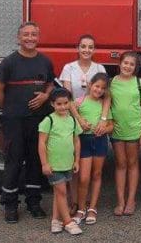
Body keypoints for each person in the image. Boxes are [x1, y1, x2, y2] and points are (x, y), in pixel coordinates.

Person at [0, 22, 55, 224]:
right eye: (26, 35)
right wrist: (11, 109)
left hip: (37, 120)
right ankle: (10, 204)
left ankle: (34, 202)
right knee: (14, 161)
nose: (30, 38)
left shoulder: (45, 61)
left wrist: (45, 96)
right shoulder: (9, 62)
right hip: (15, 121)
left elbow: (51, 84)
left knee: (36, 160)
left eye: (34, 34)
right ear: (18, 38)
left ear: (39, 37)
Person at [59, 34, 109, 215]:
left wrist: (103, 120)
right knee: (76, 167)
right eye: (83, 46)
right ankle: (75, 201)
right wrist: (79, 120)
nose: (86, 50)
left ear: (94, 50)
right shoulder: (68, 68)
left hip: (94, 123)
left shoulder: (99, 68)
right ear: (77, 48)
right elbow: (67, 97)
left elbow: (106, 96)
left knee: (91, 171)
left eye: (90, 47)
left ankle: (87, 203)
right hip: (74, 121)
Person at [109, 51, 141, 216]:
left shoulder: (140, 83)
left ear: (135, 68)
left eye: (131, 64)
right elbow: (107, 104)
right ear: (119, 64)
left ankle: (131, 199)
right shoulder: (111, 83)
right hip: (117, 130)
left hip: (134, 129)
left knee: (133, 163)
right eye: (125, 63)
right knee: (120, 164)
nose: (127, 66)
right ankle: (120, 200)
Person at [37, 88, 83, 235]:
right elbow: (42, 143)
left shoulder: (72, 120)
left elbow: (76, 141)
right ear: (52, 104)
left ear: (70, 103)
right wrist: (45, 163)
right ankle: (68, 222)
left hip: (67, 163)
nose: (63, 107)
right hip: (54, 165)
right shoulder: (48, 121)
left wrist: (76, 161)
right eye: (59, 104)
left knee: (59, 193)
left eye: (66, 103)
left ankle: (55, 220)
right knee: (62, 192)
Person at [73, 73, 113, 225]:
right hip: (84, 141)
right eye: (96, 86)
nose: (99, 90)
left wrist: (105, 129)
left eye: (102, 88)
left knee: (96, 174)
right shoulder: (80, 101)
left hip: (100, 141)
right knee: (84, 177)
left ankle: (92, 208)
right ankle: (81, 208)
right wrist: (80, 121)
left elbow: (111, 125)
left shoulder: (104, 105)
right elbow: (69, 108)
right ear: (90, 85)